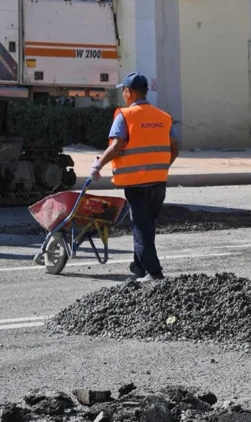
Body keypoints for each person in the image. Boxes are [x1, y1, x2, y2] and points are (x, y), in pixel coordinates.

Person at [89, 72, 179, 282]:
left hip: (136, 184)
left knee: (141, 227)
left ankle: (154, 272)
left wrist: (98, 165)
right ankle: (139, 267)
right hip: (158, 182)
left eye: (123, 91)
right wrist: (163, 166)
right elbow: (175, 147)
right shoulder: (163, 117)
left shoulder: (125, 115)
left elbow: (116, 146)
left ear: (128, 92)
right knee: (148, 226)